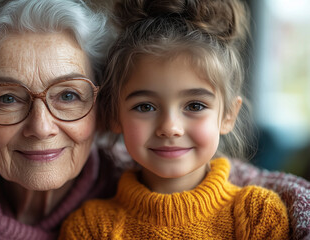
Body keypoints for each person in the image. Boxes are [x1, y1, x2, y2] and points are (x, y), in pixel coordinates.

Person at [0, 0, 309, 239]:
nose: (41, 126)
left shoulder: (140, 165)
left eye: (68, 95)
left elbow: (265, 189)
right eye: (7, 98)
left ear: (103, 113)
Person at [60, 0, 290, 239]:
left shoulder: (257, 215)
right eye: (145, 106)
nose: (170, 128)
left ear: (228, 115)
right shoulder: (91, 227)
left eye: (195, 105)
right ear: (115, 114)